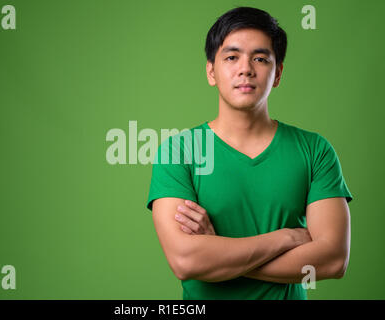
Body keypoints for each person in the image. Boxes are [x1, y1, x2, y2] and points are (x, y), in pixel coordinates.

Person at [146, 6, 353, 300]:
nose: (246, 68)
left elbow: (332, 260)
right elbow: (186, 261)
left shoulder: (315, 150)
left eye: (260, 58)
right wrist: (286, 237)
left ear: (278, 73)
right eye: (232, 57)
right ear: (211, 72)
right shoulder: (178, 152)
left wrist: (219, 251)